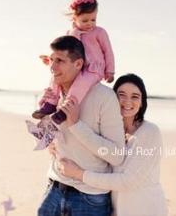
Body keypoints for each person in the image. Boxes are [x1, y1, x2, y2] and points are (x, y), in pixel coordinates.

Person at [55, 74, 168, 216]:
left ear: (142, 102)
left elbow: (128, 181)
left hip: (145, 209)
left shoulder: (150, 132)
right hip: (115, 209)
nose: (127, 102)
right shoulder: (110, 132)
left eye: (135, 96)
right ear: (112, 99)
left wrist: (79, 174)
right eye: (121, 95)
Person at [37, 35, 125, 216]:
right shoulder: (53, 95)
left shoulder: (104, 97)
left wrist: (76, 125)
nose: (52, 67)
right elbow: (49, 136)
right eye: (52, 60)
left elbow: (116, 156)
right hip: (54, 187)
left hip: (89, 199)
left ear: (78, 64)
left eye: (60, 61)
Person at [32, 0, 115, 124]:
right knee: (55, 78)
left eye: (93, 19)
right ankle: (50, 104)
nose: (90, 24)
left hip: (93, 69)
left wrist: (110, 70)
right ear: (74, 18)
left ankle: (65, 111)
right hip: (76, 68)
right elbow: (63, 54)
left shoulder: (99, 32)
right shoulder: (71, 33)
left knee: (79, 86)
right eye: (85, 20)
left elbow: (108, 51)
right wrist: (51, 60)